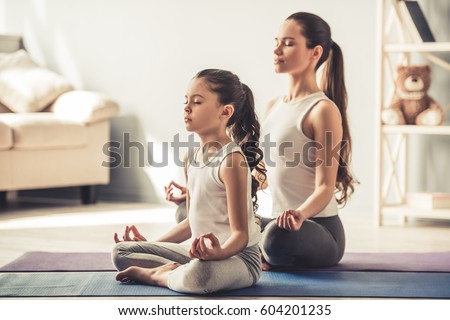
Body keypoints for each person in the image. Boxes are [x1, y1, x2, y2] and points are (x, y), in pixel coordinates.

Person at [112, 69, 266, 294]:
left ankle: (157, 275)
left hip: (239, 258)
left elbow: (241, 234)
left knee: (200, 275)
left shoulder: (232, 161)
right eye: (186, 101)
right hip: (200, 254)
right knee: (121, 252)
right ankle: (175, 271)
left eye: (197, 102)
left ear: (225, 112)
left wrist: (218, 253)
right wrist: (154, 244)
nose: (187, 107)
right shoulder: (190, 158)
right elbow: (191, 222)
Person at [258, 12, 357, 270]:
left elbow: (325, 186)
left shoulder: (322, 110)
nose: (277, 49)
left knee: (275, 238)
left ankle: (263, 253)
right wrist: (204, 194)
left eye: (288, 43)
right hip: (273, 220)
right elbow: (262, 175)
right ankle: (262, 254)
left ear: (315, 53)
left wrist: (299, 214)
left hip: (315, 227)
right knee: (195, 215)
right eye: (276, 41)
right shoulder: (272, 106)